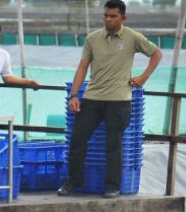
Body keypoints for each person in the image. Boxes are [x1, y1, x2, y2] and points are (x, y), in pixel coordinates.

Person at [58, 0, 162, 198]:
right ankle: (73, 181)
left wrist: (143, 77)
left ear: (123, 18)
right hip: (93, 97)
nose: (108, 19)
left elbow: (156, 54)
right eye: (106, 15)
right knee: (77, 139)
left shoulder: (132, 37)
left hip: (119, 100)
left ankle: (112, 185)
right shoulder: (92, 38)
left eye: (113, 16)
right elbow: (82, 66)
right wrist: (74, 95)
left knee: (113, 143)